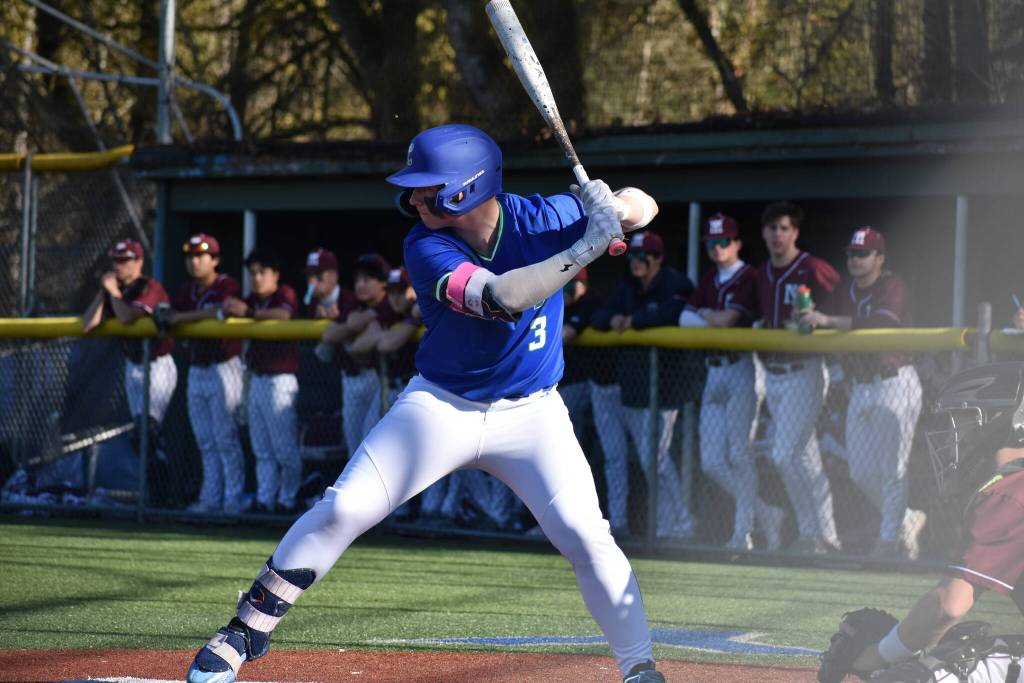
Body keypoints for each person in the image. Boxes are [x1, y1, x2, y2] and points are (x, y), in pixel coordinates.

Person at [185, 123, 668, 683]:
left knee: (588, 536)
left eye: (427, 187)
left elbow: (647, 203)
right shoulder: (426, 244)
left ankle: (639, 668)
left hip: (534, 414)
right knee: (344, 507)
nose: (414, 198)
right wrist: (586, 248)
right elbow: (502, 297)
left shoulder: (542, 215)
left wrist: (618, 208)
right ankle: (244, 630)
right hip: (443, 408)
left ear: (466, 188)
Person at [818, 362, 1024, 683]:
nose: (953, 433)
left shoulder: (1009, 491)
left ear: (1001, 422)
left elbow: (949, 607)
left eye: (963, 419)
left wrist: (877, 655)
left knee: (922, 675)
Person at [797, 227, 925, 559]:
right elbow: (820, 321)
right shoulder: (844, 289)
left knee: (892, 469)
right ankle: (906, 520)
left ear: (880, 258)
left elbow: (882, 323)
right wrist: (812, 320)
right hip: (861, 386)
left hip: (895, 380)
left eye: (862, 254)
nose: (854, 259)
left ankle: (887, 544)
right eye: (851, 254)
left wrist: (827, 320)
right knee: (861, 472)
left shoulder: (892, 285)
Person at [679, 213, 784, 551]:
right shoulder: (710, 278)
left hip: (742, 368)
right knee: (711, 461)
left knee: (739, 453)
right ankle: (766, 513)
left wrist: (706, 316)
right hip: (715, 369)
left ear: (737, 243)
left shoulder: (749, 276)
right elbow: (683, 319)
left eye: (723, 241)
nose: (717, 247)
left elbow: (728, 320)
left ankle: (743, 533)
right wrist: (713, 319)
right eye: (711, 242)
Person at [590, 230, 697, 541]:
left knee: (657, 461)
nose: (636, 262)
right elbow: (600, 316)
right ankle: (667, 526)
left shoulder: (674, 283)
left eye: (643, 256)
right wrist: (613, 320)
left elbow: (675, 311)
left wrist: (635, 319)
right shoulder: (628, 288)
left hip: (665, 389)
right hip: (636, 388)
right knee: (648, 460)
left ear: (658, 258)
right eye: (633, 256)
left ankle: (680, 523)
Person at [755, 201, 841, 555]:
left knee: (784, 454)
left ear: (796, 232)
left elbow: (842, 303)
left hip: (805, 370)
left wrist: (820, 318)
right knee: (804, 456)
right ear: (764, 232)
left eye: (785, 228)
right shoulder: (763, 273)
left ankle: (814, 534)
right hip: (773, 373)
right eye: (772, 228)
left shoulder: (812, 268)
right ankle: (824, 537)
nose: (778, 234)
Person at [82, 239, 178, 493]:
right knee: (140, 435)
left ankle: (165, 492)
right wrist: (105, 292)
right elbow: (87, 324)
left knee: (149, 431)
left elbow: (126, 317)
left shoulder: (149, 286)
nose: (119, 266)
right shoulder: (116, 291)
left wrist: (113, 293)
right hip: (133, 364)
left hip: (157, 364)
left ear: (139, 262)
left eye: (125, 261)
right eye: (116, 260)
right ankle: (154, 494)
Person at [170, 234, 246, 513]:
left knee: (225, 438)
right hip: (197, 368)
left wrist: (182, 318)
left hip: (224, 366)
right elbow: (170, 313)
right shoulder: (186, 290)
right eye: (190, 256)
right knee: (205, 440)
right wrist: (177, 316)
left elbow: (221, 310)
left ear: (215, 260)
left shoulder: (226, 283)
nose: (194, 262)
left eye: (201, 256)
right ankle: (212, 498)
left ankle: (233, 499)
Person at [223, 248, 302, 515]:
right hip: (256, 379)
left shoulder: (284, 294)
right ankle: (266, 499)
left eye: (262, 272)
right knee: (262, 448)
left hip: (280, 382)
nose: (256, 278)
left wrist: (248, 311)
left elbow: (285, 315)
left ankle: (288, 500)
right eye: (253, 273)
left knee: (284, 449)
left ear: (275, 274)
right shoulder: (251, 300)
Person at [318, 253, 392, 457]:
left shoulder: (389, 303)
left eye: (367, 279)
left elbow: (354, 329)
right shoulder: (354, 303)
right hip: (351, 377)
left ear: (383, 283)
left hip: (380, 380)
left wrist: (365, 318)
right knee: (353, 445)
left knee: (373, 445)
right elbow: (330, 334)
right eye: (358, 279)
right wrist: (354, 323)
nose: (360, 285)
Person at [303, 248, 355, 320]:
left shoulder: (351, 300)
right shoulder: (311, 304)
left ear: (334, 276)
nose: (312, 281)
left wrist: (341, 319)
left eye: (318, 275)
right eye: (309, 275)